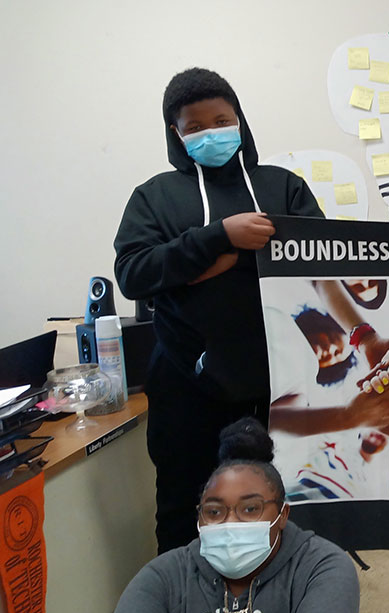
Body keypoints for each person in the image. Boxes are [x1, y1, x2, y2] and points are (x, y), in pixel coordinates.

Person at [113, 67, 324, 554]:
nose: (211, 133)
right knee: (187, 507)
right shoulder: (154, 197)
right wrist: (217, 239)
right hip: (188, 385)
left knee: (289, 499)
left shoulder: (282, 187)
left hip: (282, 379)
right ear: (176, 133)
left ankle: (292, 603)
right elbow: (133, 274)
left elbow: (320, 261)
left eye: (221, 120)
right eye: (196, 127)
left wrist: (193, 271)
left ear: (240, 120)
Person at [77, 418, 375, 613]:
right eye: (215, 511)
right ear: (200, 518)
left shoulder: (323, 569)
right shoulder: (162, 579)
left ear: (282, 515)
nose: (230, 523)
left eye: (250, 509)